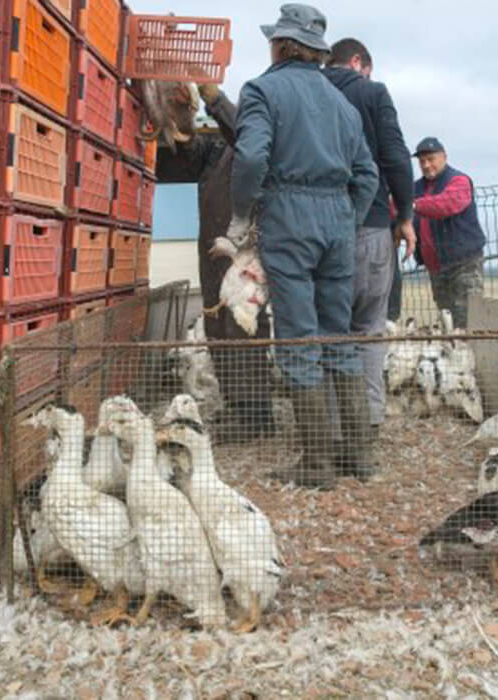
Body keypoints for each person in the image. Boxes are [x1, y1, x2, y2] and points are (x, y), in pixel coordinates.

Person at [230, 4, 379, 489]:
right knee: (339, 333)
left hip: (290, 216)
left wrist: (241, 212)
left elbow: (251, 156)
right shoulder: (343, 105)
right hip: (337, 218)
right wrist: (347, 219)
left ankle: (317, 466)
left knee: (298, 337)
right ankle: (359, 459)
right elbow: (369, 175)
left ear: (279, 45)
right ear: (315, 51)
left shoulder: (261, 90)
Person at [154, 83, 275, 441]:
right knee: (217, 325)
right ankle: (237, 405)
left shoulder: (253, 142)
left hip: (243, 254)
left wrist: (214, 96)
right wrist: (177, 119)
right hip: (211, 253)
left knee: (244, 326)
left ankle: (257, 416)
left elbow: (243, 131)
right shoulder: (218, 149)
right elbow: (180, 162)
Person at [322, 37, 415, 476]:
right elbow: (396, 157)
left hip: (317, 228)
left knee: (328, 331)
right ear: (360, 63)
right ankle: (367, 430)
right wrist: (406, 214)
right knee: (370, 328)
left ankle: (331, 433)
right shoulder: (372, 92)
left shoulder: (311, 89)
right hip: (371, 226)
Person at [410, 137, 486, 328]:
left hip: (463, 265)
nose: (426, 165)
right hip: (436, 268)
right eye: (422, 161)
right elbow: (395, 209)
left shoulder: (459, 181)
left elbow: (446, 204)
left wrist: (410, 205)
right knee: (447, 322)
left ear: (444, 157)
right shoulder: (416, 188)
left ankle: (468, 357)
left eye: (431, 159)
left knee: (467, 320)